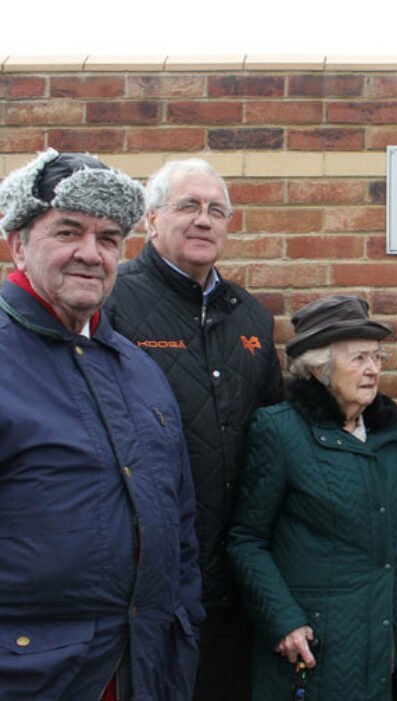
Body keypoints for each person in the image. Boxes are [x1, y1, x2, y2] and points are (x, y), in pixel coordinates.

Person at [0, 148, 203, 699]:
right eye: (68, 232)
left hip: (143, 671)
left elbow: (181, 529)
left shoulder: (140, 371)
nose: (90, 254)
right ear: (17, 242)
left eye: (109, 238)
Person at [105, 159, 282, 700]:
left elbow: (272, 434)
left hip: (232, 578)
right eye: (188, 206)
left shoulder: (251, 317)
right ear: (152, 220)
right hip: (147, 579)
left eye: (216, 211)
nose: (204, 220)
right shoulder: (113, 303)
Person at [228, 295, 397, 701]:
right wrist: (284, 620)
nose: (373, 369)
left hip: (396, 633)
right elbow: (246, 540)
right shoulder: (279, 431)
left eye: (377, 357)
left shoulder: (385, 432)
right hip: (320, 640)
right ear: (319, 369)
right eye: (359, 358)